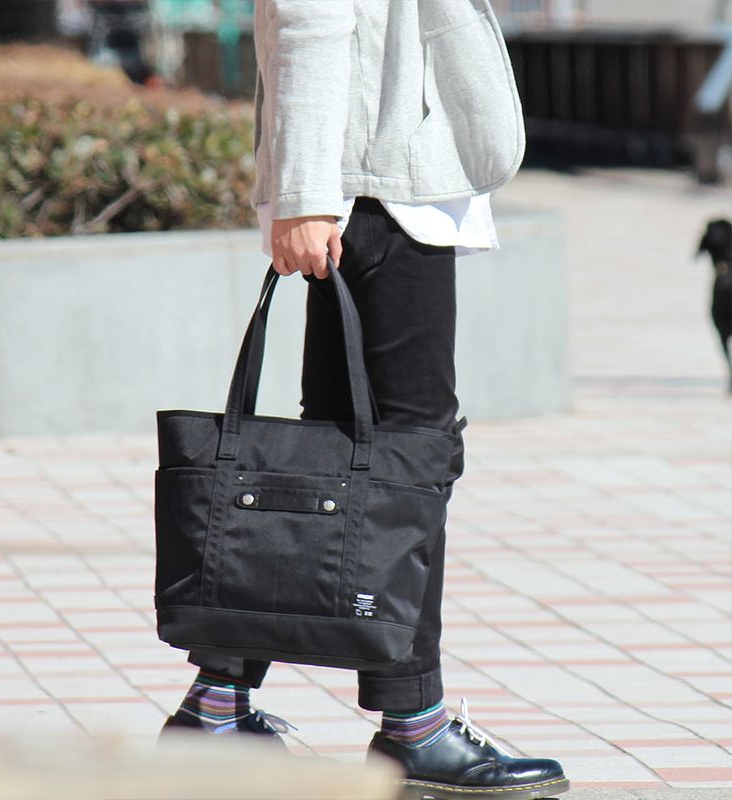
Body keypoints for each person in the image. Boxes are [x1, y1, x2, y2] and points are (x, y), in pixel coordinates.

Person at [160, 2, 570, 798]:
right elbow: (311, 19)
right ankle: (414, 726)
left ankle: (218, 707)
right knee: (412, 458)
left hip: (378, 178)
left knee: (336, 461)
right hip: (376, 189)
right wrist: (305, 192)